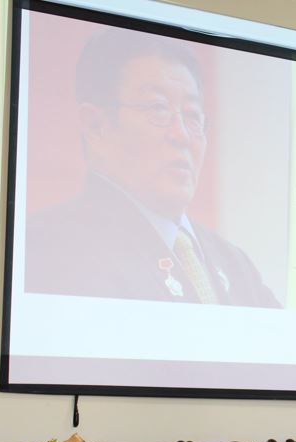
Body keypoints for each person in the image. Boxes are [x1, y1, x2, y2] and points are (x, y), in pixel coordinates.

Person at [26, 29, 281, 308]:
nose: (182, 135)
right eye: (158, 108)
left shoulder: (234, 263)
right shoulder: (50, 247)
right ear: (96, 126)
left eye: (192, 116)